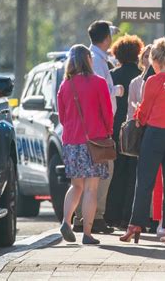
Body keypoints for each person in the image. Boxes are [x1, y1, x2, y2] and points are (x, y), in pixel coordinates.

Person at [120, 38, 165, 245]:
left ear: (155, 61)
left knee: (145, 181)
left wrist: (139, 115)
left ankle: (136, 224)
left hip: (156, 133)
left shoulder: (153, 81)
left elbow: (145, 111)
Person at [57, 44, 114, 245]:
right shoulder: (98, 83)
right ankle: (87, 233)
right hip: (94, 141)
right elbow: (107, 112)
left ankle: (66, 221)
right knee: (91, 188)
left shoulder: (65, 85)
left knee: (76, 185)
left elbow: (62, 117)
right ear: (88, 59)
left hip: (71, 142)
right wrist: (108, 132)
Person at [72, 20, 123, 234]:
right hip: (99, 127)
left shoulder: (94, 58)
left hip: (86, 127)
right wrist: (117, 92)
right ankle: (96, 217)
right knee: (103, 172)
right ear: (107, 38)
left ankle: (79, 217)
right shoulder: (98, 61)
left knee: (86, 175)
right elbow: (100, 93)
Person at [105, 35, 144, 229]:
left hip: (115, 129)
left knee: (116, 173)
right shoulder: (140, 76)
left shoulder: (112, 75)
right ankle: (129, 216)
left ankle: (111, 215)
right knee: (133, 174)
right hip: (136, 129)